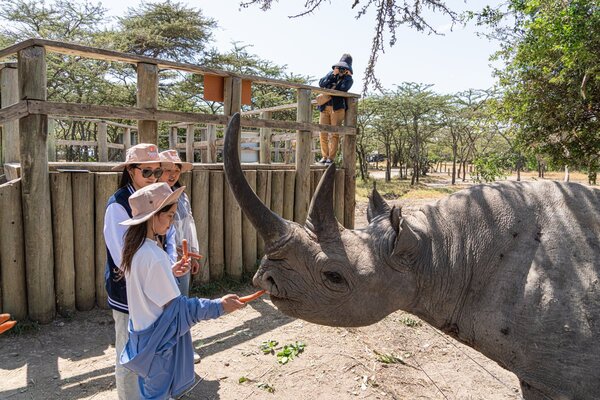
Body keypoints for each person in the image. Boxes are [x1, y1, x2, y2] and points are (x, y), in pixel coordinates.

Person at [118, 183, 245, 399]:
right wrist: (220, 306)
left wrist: (170, 272)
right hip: (159, 344)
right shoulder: (154, 257)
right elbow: (180, 308)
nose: (172, 222)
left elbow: (148, 286)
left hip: (142, 339)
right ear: (153, 216)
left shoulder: (136, 251)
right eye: (169, 216)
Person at [104, 143, 177, 400]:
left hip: (153, 292)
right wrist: (160, 273)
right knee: (129, 356)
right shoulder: (117, 205)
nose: (153, 177)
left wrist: (169, 267)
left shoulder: (157, 196)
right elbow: (124, 259)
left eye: (158, 172)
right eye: (147, 172)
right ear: (130, 170)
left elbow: (165, 239)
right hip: (129, 295)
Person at [158, 149, 202, 364]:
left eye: (176, 170)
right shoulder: (153, 196)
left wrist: (193, 253)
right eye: (167, 169)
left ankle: (184, 349)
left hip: (182, 258)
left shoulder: (181, 195)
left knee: (181, 303)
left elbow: (189, 224)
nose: (173, 174)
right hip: (160, 258)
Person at [317, 53, 354, 165]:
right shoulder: (331, 74)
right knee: (322, 132)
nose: (341, 70)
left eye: (344, 68)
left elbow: (342, 89)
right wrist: (333, 75)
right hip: (324, 107)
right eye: (340, 67)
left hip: (337, 108)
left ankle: (330, 158)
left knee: (334, 133)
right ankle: (324, 157)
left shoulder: (349, 79)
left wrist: (346, 76)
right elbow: (321, 84)